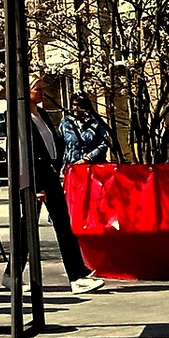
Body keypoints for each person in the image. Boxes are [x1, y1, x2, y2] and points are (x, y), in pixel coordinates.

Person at [27, 79, 104, 295]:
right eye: (37, 89)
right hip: (38, 178)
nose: (43, 93)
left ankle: (77, 273)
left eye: (43, 89)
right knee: (50, 226)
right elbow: (25, 152)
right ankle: (76, 276)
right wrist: (35, 185)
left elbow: (54, 143)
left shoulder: (41, 115)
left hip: (50, 174)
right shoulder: (18, 118)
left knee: (51, 225)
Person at [59, 93, 114, 167]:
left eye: (79, 105)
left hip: (92, 167)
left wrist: (88, 158)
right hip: (72, 167)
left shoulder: (96, 123)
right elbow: (59, 144)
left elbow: (104, 144)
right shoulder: (66, 123)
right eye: (74, 105)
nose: (76, 108)